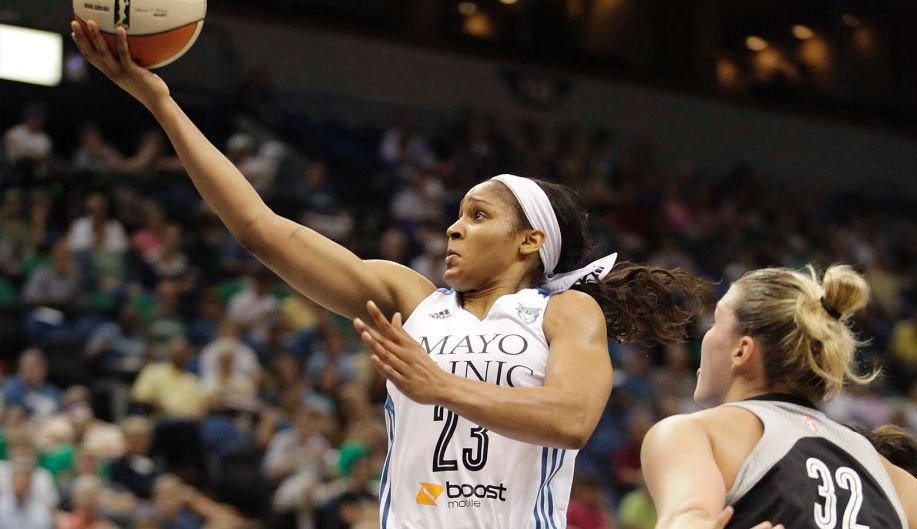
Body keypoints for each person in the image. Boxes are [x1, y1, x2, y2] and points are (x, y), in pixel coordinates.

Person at [71, 22, 709, 528]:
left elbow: (571, 418)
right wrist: (161, 103)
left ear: (530, 240)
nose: (453, 229)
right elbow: (260, 228)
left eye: (477, 216)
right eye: (455, 215)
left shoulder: (565, 311)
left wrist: (442, 386)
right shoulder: (412, 297)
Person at [640, 265, 917, 529]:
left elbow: (687, 519)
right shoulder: (884, 471)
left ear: (742, 351)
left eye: (716, 322)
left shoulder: (692, 434)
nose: (705, 334)